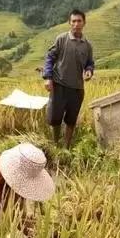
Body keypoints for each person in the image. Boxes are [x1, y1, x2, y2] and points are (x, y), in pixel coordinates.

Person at [42, 9, 94, 148]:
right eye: (74, 21)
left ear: (84, 23)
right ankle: (55, 145)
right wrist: (48, 77)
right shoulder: (61, 39)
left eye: (79, 21)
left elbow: (90, 62)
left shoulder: (87, 45)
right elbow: (50, 57)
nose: (76, 24)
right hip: (59, 85)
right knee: (55, 118)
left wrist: (89, 71)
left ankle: (66, 147)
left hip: (77, 88)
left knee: (71, 120)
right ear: (69, 23)